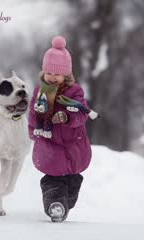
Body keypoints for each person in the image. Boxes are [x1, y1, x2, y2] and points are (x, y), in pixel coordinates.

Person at [28, 36, 98, 222]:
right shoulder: (39, 92)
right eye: (49, 73)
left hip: (72, 146)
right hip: (49, 145)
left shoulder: (74, 92)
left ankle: (64, 203)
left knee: (72, 181)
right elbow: (33, 114)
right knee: (52, 181)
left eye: (57, 74)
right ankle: (55, 205)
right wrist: (33, 130)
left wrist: (67, 117)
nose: (52, 77)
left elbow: (82, 114)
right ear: (44, 72)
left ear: (66, 75)